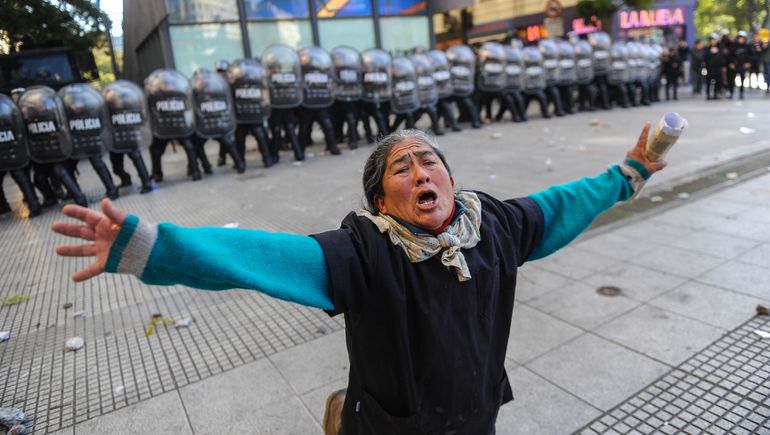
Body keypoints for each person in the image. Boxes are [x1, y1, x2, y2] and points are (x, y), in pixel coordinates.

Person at [52, 127, 666, 434]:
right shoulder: (364, 252)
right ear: (381, 200)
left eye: (430, 161)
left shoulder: (496, 225)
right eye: (403, 167)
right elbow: (262, 255)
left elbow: (563, 203)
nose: (421, 170)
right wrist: (151, 248)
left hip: (474, 412)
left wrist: (630, 172)